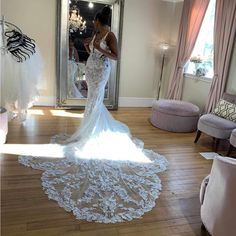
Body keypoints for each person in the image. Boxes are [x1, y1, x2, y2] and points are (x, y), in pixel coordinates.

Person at [19, 6, 168, 223]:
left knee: (96, 100)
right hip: (91, 68)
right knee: (91, 101)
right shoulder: (97, 34)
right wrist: (91, 46)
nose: (93, 25)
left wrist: (99, 46)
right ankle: (89, 127)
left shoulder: (110, 35)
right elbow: (93, 51)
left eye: (95, 22)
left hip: (102, 71)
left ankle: (94, 132)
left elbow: (116, 57)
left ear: (100, 21)